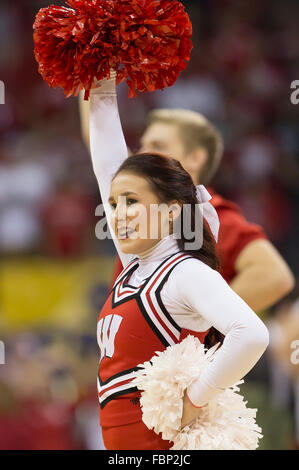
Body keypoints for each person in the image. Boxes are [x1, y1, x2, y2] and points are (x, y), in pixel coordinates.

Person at [88, 73, 269, 450]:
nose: (118, 214)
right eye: (115, 204)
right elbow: (106, 166)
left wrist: (194, 400)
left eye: (132, 202)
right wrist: (102, 82)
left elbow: (251, 334)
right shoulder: (136, 268)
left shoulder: (183, 272)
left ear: (172, 212)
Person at [79, 86, 294, 314]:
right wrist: (90, 75)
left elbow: (275, 276)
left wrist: (200, 325)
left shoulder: (209, 214)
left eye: (158, 146)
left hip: (162, 346)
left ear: (195, 158)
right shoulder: (140, 196)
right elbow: (101, 144)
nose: (143, 153)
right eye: (143, 146)